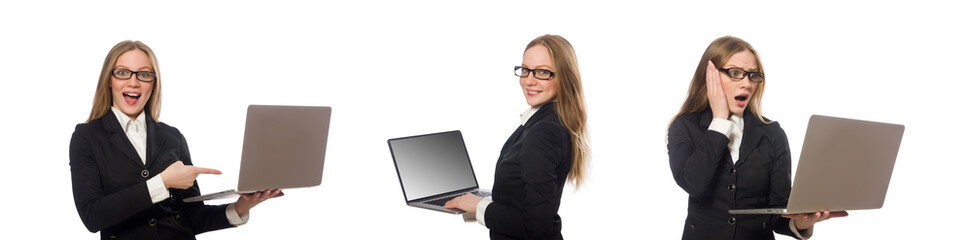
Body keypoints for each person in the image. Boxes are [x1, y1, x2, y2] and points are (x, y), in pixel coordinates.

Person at [69, 40, 283, 239]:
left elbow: (192, 216)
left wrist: (242, 206)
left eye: (144, 75)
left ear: (153, 84)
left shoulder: (172, 137)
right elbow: (92, 216)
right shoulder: (87, 137)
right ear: (109, 79)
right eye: (123, 73)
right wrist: (163, 182)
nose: (133, 82)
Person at [667, 36, 847, 240]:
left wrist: (802, 222)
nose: (747, 84)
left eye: (752, 75)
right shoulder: (683, 126)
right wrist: (719, 120)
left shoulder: (772, 133)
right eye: (735, 73)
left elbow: (776, 213)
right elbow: (693, 184)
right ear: (711, 77)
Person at [443, 34, 590, 240]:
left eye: (542, 72)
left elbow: (537, 226)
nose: (528, 81)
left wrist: (478, 205)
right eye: (525, 70)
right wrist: (483, 201)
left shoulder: (544, 132)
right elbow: (535, 206)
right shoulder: (548, 120)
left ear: (564, 77)